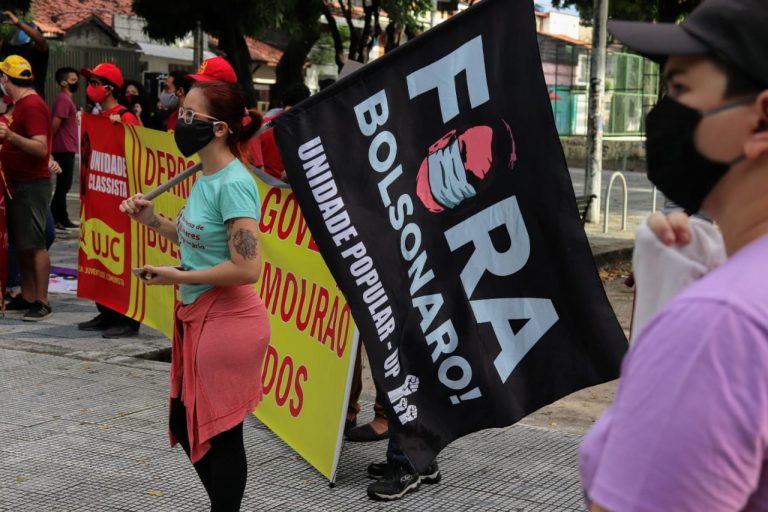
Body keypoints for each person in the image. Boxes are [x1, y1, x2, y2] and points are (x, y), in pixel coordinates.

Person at [579, 1, 768, 510]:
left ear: (761, 120)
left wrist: (670, 329)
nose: (659, 116)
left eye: (680, 90)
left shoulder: (719, 325)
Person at [119, 79, 266, 512]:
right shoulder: (205, 175)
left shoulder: (234, 184)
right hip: (198, 313)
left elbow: (247, 268)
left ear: (220, 128)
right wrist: (152, 221)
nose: (180, 121)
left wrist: (173, 276)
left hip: (229, 322)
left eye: (189, 116)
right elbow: (195, 240)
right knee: (186, 425)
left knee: (220, 432)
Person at [76, 62, 142, 338]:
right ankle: (105, 312)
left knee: (122, 261)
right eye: (89, 81)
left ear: (109, 89)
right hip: (98, 200)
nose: (90, 87)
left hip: (121, 203)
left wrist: (121, 130)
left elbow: (139, 154)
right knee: (99, 257)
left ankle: (127, 319)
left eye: (95, 82)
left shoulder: (126, 118)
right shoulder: (96, 116)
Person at [0, 55, 53, 321]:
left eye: (2, 77)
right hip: (17, 184)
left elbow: (41, 148)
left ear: (7, 79)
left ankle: (41, 300)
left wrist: (10, 137)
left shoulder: (31, 106)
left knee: (34, 244)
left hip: (31, 185)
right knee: (22, 243)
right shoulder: (20, 105)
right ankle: (28, 295)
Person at [248, 83, 310, 181]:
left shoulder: (263, 124)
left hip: (263, 187)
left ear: (282, 103)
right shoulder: (307, 130)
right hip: (290, 191)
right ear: (306, 103)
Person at [50, 67, 79, 230]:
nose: (76, 83)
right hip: (63, 147)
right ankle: (56, 217)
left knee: (64, 184)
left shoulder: (66, 99)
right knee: (63, 184)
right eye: (73, 80)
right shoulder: (63, 100)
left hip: (66, 146)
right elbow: (55, 124)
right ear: (63, 82)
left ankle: (62, 216)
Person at [0, 12, 48, 98]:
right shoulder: (11, 49)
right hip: (14, 100)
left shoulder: (38, 53)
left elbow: (41, 41)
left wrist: (18, 23)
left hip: (32, 98)